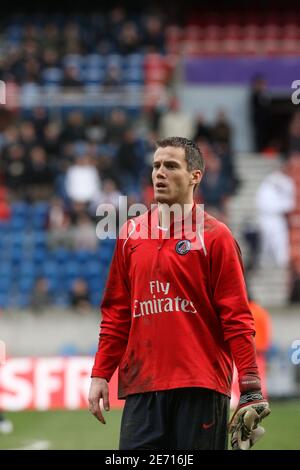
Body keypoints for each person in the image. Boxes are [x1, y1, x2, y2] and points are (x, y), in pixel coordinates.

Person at [88, 137, 270, 450]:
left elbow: (236, 316)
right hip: (142, 386)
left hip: (200, 385)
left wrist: (250, 383)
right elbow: (117, 313)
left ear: (195, 176)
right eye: (156, 166)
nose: (160, 173)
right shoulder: (130, 234)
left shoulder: (216, 237)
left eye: (171, 166)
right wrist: (101, 373)